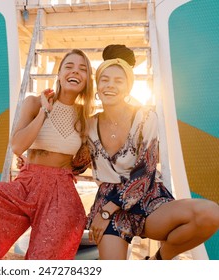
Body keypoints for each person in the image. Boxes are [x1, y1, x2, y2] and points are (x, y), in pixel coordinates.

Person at [0, 49, 95, 260]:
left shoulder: (87, 118)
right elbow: (18, 146)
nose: (75, 72)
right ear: (59, 73)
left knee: (43, 259)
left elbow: (89, 162)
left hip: (61, 192)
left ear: (87, 80)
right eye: (69, 66)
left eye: (82, 69)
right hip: (26, 184)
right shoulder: (34, 103)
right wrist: (44, 112)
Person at [85, 45, 219, 260]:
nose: (110, 85)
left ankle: (157, 262)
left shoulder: (146, 118)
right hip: (108, 205)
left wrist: (106, 211)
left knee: (210, 213)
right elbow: (75, 163)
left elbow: (144, 172)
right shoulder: (89, 124)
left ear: (129, 87)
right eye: (104, 79)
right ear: (97, 86)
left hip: (147, 199)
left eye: (119, 81)